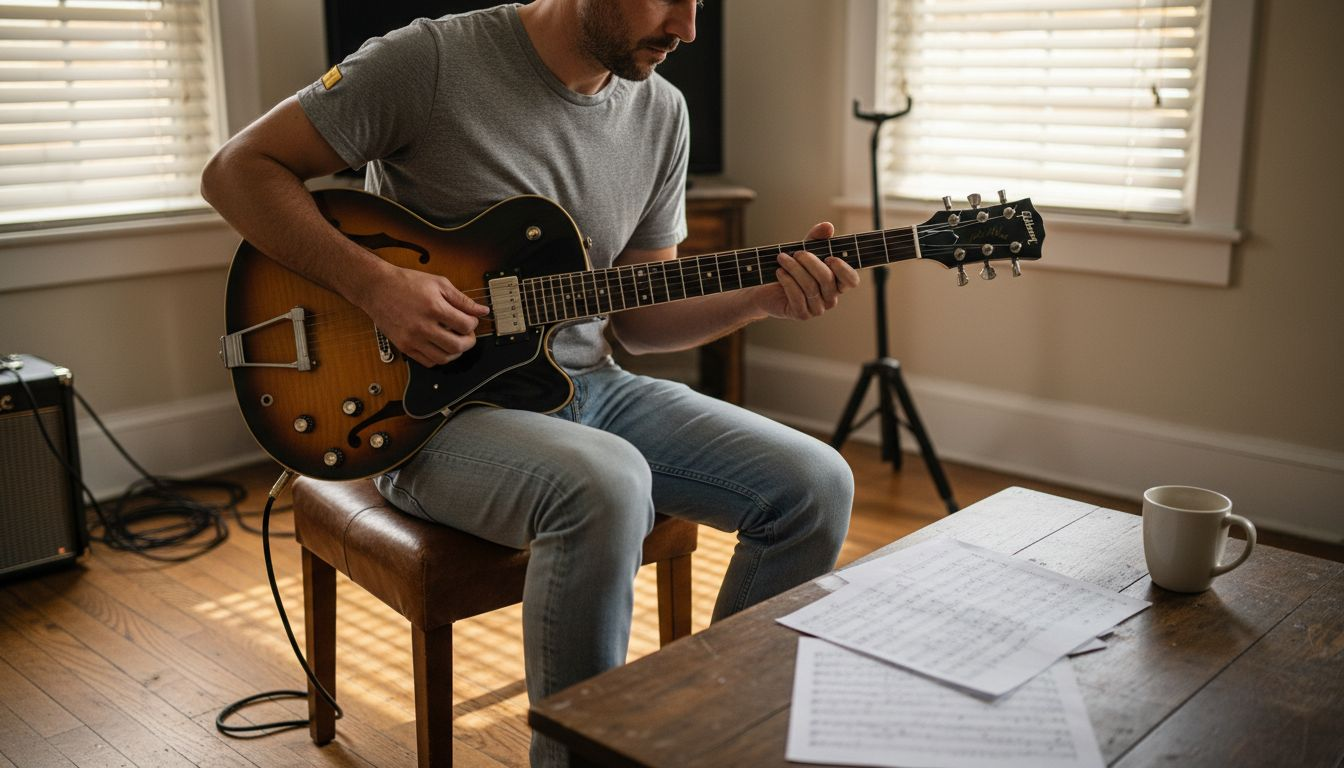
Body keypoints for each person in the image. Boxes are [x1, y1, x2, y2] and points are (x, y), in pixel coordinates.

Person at [201, 1, 858, 764]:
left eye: (699, 2)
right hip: (429, 416)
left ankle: (704, 741)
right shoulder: (429, 61)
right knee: (606, 482)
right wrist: (377, 285)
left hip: (588, 385)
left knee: (815, 484)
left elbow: (640, 317)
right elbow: (235, 171)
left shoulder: (661, 112)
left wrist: (764, 296)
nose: (687, 28)